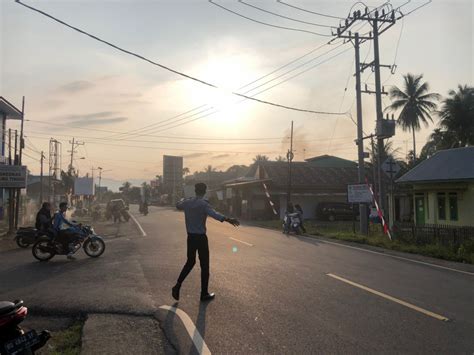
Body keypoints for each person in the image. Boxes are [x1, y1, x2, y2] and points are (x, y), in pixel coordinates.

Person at [172, 182, 240, 302]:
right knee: (204, 266)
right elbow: (215, 215)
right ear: (204, 191)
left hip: (191, 237)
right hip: (201, 238)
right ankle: (204, 293)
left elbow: (177, 205)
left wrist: (185, 199)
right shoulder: (204, 204)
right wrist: (229, 219)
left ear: (195, 190)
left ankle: (177, 285)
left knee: (190, 262)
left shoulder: (187, 203)